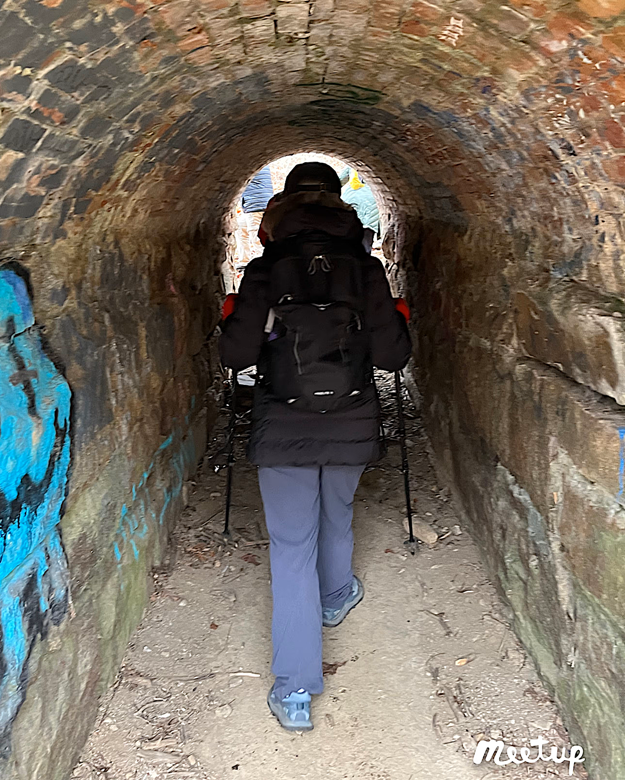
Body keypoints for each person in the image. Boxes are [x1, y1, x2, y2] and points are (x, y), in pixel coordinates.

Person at [219, 162, 411, 732]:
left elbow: (234, 357)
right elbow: (394, 358)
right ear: (343, 213)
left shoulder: (264, 271)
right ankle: (335, 595)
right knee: (339, 510)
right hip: (351, 419)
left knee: (289, 546)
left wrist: (234, 316)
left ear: (282, 213)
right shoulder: (367, 271)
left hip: (282, 423)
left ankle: (296, 689)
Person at [339, 167, 380, 253]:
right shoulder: (377, 168)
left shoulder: (351, 167)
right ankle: (364, 261)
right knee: (366, 239)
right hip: (371, 204)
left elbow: (337, 183)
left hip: (350, 201)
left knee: (347, 237)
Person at [241, 165, 274, 261]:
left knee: (255, 235)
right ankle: (244, 260)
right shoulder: (262, 166)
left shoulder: (249, 166)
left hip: (256, 205)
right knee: (241, 226)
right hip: (260, 203)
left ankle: (264, 261)